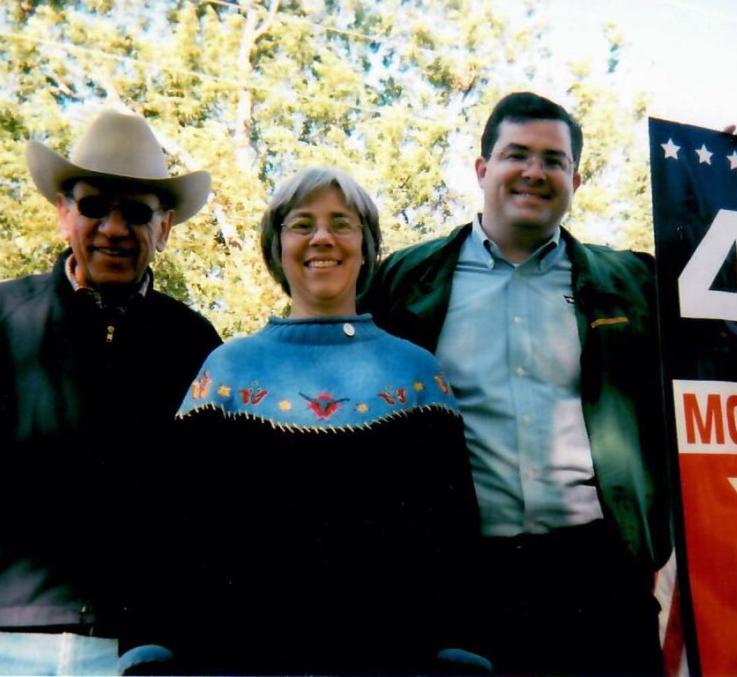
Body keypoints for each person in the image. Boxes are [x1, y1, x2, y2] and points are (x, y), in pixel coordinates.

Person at [0, 109, 222, 675]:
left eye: (136, 212)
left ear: (165, 229)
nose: (113, 227)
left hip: (133, 656)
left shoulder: (194, 343)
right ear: (64, 214)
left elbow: (215, 508)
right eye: (93, 205)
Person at [123, 166, 481, 674]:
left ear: (366, 245)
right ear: (277, 245)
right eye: (301, 223)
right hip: (240, 656)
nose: (322, 238)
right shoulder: (226, 373)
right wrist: (153, 646)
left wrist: (457, 647)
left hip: (390, 656)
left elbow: (451, 537)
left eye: (342, 223)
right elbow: (174, 532)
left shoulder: (417, 374)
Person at [363, 91, 672, 676]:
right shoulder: (404, 280)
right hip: (463, 580)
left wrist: (722, 188)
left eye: (554, 160)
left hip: (600, 572)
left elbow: (730, 327)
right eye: (517, 155)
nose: (535, 171)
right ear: (483, 170)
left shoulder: (631, 282)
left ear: (575, 179)